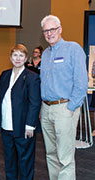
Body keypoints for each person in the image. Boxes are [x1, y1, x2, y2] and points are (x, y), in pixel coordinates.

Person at [40, 15, 88, 180]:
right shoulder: (45, 54)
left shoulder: (73, 49)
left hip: (65, 108)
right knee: (51, 154)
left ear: (60, 29)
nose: (49, 33)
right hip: (46, 109)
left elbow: (82, 82)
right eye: (46, 30)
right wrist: (42, 108)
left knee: (65, 157)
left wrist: (71, 107)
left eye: (52, 29)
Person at [0, 44, 41, 180]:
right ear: (10, 57)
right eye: (15, 55)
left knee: (25, 163)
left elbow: (35, 103)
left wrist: (30, 125)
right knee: (9, 161)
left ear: (26, 58)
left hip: (24, 127)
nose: (17, 58)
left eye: (21, 55)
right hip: (6, 126)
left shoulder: (32, 77)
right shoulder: (5, 74)